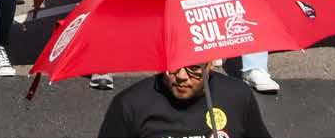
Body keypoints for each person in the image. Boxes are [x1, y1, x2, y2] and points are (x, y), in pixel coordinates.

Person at [98, 65, 272, 138]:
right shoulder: (130, 104)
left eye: (194, 67)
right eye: (173, 66)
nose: (181, 76)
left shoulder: (238, 96)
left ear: (210, 64)